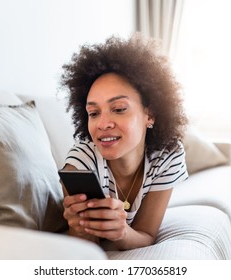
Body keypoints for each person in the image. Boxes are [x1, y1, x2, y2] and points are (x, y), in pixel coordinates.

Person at [59, 33, 188, 251]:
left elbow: (146, 234)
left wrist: (122, 234)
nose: (103, 123)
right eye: (93, 113)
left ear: (150, 114)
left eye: (118, 109)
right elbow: (84, 252)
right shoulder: (82, 161)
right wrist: (81, 227)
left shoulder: (168, 155)